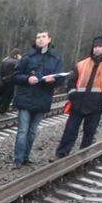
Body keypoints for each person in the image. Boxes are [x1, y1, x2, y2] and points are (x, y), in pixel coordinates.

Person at [55, 35, 102, 158]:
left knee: (89, 132)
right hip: (78, 102)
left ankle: (83, 155)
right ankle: (61, 154)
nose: (97, 49)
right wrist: (73, 94)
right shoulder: (82, 64)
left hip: (96, 104)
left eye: (100, 46)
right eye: (95, 46)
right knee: (70, 130)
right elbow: (71, 81)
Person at [12, 31, 64, 167]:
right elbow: (15, 76)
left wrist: (53, 80)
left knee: (32, 132)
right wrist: (28, 79)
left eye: (43, 37)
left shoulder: (56, 58)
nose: (40, 40)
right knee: (23, 131)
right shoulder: (27, 56)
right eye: (38, 37)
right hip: (25, 98)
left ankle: (25, 157)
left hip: (42, 100)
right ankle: (18, 159)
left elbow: (61, 79)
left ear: (49, 39)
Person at [0, 49, 21, 114]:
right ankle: (3, 110)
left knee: (3, 95)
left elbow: (1, 70)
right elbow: (17, 72)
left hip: (3, 80)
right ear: (16, 54)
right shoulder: (16, 62)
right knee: (8, 96)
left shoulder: (5, 60)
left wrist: (2, 78)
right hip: (11, 80)